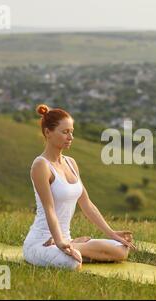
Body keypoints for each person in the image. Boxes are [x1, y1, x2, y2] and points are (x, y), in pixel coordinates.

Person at [23, 104, 136, 270]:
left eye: (71, 131)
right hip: (41, 243)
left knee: (121, 249)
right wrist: (60, 242)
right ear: (48, 133)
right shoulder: (41, 165)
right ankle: (74, 249)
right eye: (65, 132)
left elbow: (87, 204)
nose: (71, 137)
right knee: (73, 264)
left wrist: (111, 233)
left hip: (64, 240)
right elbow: (50, 209)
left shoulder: (71, 163)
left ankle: (75, 246)